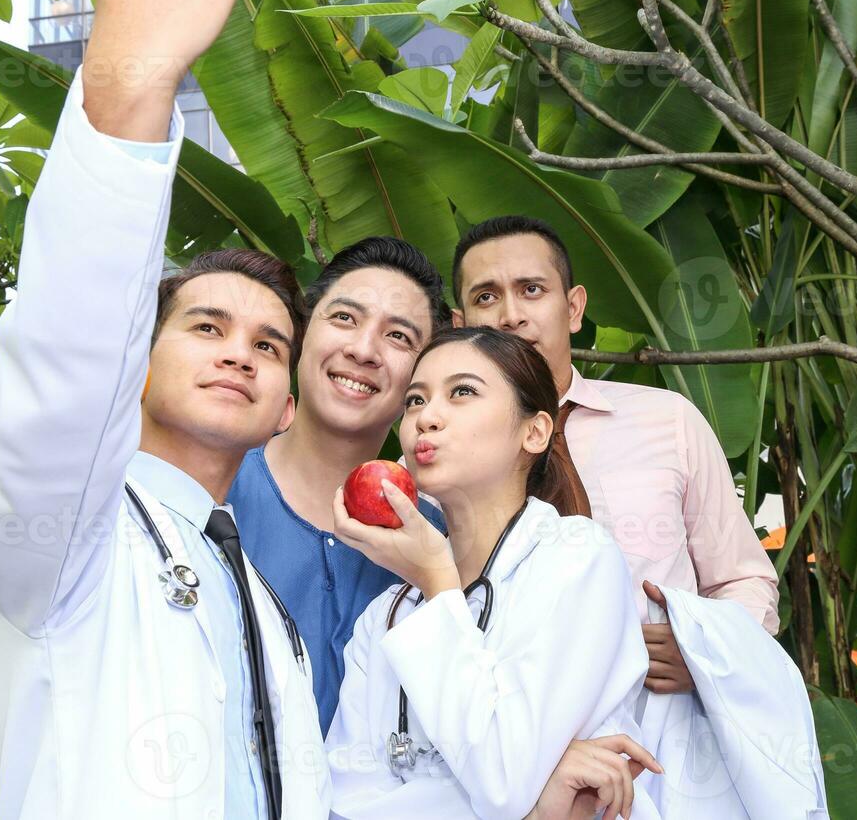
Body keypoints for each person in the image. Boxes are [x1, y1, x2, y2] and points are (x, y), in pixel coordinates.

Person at [0, 0, 330, 818]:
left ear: (287, 404)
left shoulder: (261, 600)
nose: (239, 353)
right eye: (206, 325)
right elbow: (63, 363)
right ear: (138, 360)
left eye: (268, 345)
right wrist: (133, 74)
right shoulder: (59, 539)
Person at [325, 327, 662, 820]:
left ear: (535, 432)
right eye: (415, 401)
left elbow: (502, 779)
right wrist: (534, 805)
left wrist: (439, 584)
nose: (427, 418)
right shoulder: (387, 614)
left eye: (462, 392)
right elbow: (345, 803)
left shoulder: (577, 557)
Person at [451, 215, 780, 699]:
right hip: (510, 746)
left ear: (574, 308)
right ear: (460, 327)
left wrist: (708, 654)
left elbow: (743, 578)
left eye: (532, 290)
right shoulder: (437, 458)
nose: (511, 315)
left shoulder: (668, 421)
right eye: (486, 297)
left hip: (668, 742)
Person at [228, 236, 449, 735]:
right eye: (345, 318)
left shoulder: (437, 542)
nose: (364, 350)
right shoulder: (212, 492)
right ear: (303, 334)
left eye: (399, 337)